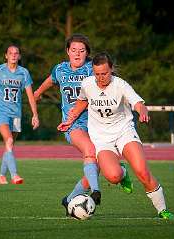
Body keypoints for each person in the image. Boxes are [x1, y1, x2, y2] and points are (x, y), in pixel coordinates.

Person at [58, 52, 174, 219]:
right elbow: (82, 102)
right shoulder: (88, 84)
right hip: (101, 139)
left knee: (142, 172)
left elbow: (138, 103)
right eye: (97, 74)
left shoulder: (121, 85)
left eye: (104, 73)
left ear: (111, 69)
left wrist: (142, 111)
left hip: (124, 132)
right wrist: (70, 120)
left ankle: (163, 210)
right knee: (114, 177)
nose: (100, 77)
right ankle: (123, 172)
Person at [34, 34, 132, 211]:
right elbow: (50, 81)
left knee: (94, 169)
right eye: (73, 50)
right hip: (73, 124)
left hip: (99, 124)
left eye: (82, 50)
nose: (77, 54)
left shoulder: (91, 69)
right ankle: (96, 192)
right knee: (90, 151)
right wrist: (37, 93)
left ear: (87, 53)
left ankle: (69, 200)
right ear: (67, 51)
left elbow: (112, 84)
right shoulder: (60, 69)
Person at [0, 44, 39, 185]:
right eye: (11, 53)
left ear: (19, 56)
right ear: (6, 55)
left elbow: (30, 96)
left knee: (9, 145)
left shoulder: (24, 73)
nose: (14, 55)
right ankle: (14, 175)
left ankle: (1, 176)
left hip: (16, 114)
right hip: (0, 112)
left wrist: (35, 115)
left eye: (16, 53)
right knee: (9, 140)